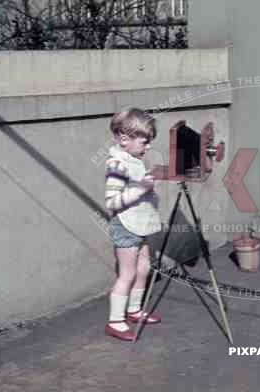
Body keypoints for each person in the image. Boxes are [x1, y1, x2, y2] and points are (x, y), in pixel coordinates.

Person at [104, 108, 166, 341]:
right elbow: (112, 201)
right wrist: (140, 189)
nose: (148, 146)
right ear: (124, 139)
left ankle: (134, 309)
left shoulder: (134, 159)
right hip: (126, 225)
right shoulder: (117, 164)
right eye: (144, 141)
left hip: (141, 224)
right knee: (127, 274)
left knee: (144, 269)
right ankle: (115, 321)